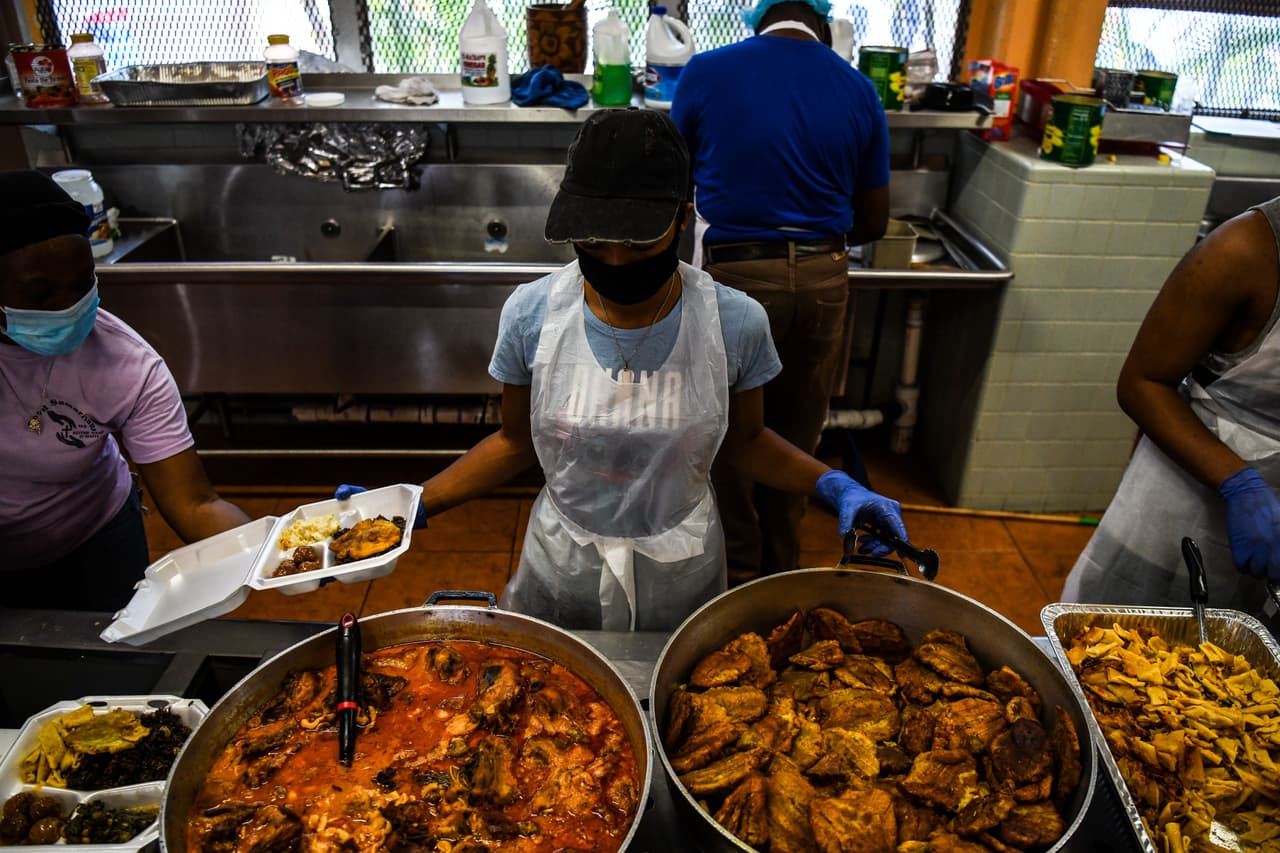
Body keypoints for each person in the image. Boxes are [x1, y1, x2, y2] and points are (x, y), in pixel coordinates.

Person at [343, 109, 906, 632]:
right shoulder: (532, 313)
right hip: (562, 560)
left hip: (679, 564)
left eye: (638, 245)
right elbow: (514, 442)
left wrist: (835, 485)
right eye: (594, 241)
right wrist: (413, 504)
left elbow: (747, 440)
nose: (613, 261)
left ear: (683, 219)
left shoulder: (734, 322)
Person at [671, 0, 890, 583]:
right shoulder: (858, 88)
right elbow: (873, 222)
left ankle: (736, 578)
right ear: (822, 25)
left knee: (731, 434)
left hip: (737, 277)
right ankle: (782, 572)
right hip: (824, 276)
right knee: (798, 434)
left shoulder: (706, 71)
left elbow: (671, 182)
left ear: (759, 19)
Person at [0, 170, 250, 610]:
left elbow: (195, 504)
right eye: (41, 294)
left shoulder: (126, 363)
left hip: (97, 541)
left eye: (83, 284)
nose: (68, 306)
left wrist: (280, 550)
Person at [1063, 197, 1280, 609]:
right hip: (1183, 513)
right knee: (1113, 655)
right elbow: (1142, 383)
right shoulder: (1246, 248)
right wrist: (1239, 483)